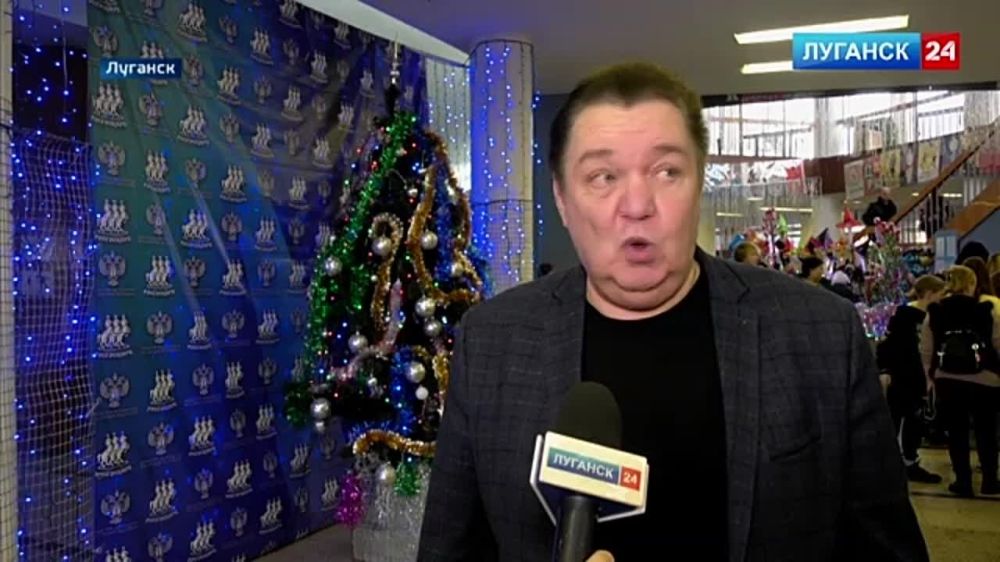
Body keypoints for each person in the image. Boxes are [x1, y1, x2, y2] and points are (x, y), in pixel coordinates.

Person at [417, 62, 927, 562]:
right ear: (562, 199)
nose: (638, 204)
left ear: (698, 184)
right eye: (603, 176)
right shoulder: (492, 341)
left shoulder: (821, 334)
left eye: (666, 171)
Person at [921, 265, 1000, 497]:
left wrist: (930, 377)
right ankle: (990, 480)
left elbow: (926, 349)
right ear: (972, 284)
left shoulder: (936, 311)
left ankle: (963, 481)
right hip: (985, 378)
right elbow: (997, 342)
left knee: (956, 432)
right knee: (986, 431)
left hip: (948, 379)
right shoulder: (986, 309)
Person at [877, 275, 948, 483]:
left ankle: (908, 459)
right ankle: (904, 462)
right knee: (904, 421)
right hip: (905, 377)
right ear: (930, 294)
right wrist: (886, 370)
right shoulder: (906, 316)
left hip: (917, 377)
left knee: (914, 421)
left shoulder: (928, 316)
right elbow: (889, 347)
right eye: (941, 294)